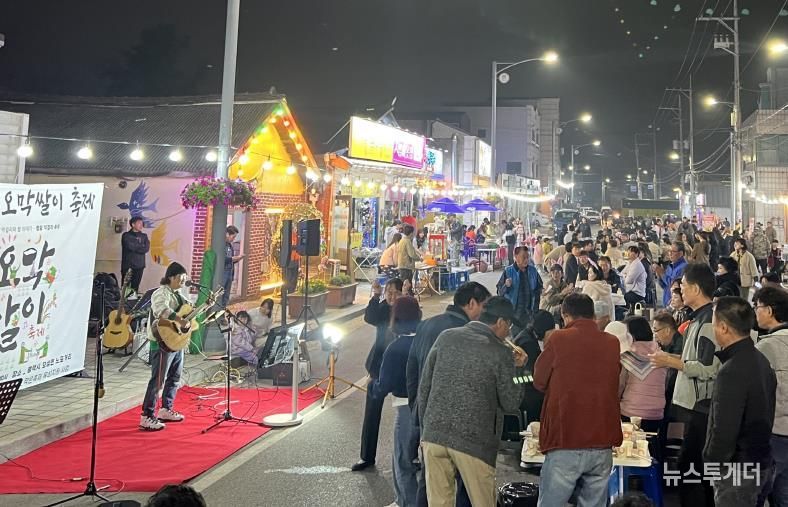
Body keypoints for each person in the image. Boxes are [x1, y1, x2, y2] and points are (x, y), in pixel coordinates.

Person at [418, 297, 526, 506]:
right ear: (501, 323)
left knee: (439, 502)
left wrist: (425, 431)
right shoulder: (501, 352)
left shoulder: (446, 337)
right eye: (509, 326)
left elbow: (425, 388)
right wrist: (520, 369)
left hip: (434, 435)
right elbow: (511, 402)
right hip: (475, 441)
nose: (509, 332)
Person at [406, 281, 491, 506]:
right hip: (458, 422)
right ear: (471, 304)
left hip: (428, 418)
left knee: (430, 482)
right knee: (463, 483)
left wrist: (417, 408)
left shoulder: (426, 325)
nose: (485, 313)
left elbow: (412, 369)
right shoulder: (467, 334)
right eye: (484, 306)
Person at [534, 293, 623, 507]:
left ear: (565, 316)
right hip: (603, 440)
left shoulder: (558, 338)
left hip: (567, 438)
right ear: (593, 315)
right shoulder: (612, 343)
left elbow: (538, 381)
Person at [649, 263, 720, 506]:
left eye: (684, 286)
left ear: (697, 289)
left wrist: (671, 361)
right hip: (691, 405)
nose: (680, 290)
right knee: (690, 468)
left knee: (693, 471)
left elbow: (709, 368)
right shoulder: (697, 320)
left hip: (700, 407)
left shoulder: (709, 323)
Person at [704, 297, 776, 507]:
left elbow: (724, 429)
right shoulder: (760, 361)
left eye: (714, 323)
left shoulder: (732, 370)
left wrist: (712, 463)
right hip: (761, 463)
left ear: (724, 327)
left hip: (737, 470)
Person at [370, 296, 422, 507]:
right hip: (427, 406)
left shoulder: (395, 347)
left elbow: (384, 385)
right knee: (421, 460)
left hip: (405, 407)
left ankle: (407, 502)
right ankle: (407, 500)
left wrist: (373, 385)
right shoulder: (425, 341)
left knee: (402, 460)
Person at [352, 277, 403, 471]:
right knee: (372, 412)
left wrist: (407, 297)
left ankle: (410, 456)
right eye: (388, 292)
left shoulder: (406, 308)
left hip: (402, 368)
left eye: (395, 292)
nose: (391, 296)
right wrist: (374, 296)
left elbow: (414, 319)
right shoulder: (381, 307)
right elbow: (370, 317)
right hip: (379, 365)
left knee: (407, 415)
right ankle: (366, 456)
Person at [140, 262, 190, 431]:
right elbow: (160, 310)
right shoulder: (160, 293)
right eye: (181, 278)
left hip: (176, 341)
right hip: (162, 342)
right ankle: (147, 416)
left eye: (185, 278)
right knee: (157, 381)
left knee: (174, 378)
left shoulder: (179, 294)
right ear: (171, 277)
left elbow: (188, 312)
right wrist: (179, 318)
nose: (184, 281)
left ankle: (165, 409)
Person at [753, 286, 788, 506]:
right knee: (784, 497)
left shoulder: (766, 346)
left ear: (769, 311)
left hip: (773, 432)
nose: (755, 312)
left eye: (757, 307)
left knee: (757, 494)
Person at [618, 317, 667, 433]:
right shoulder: (661, 355)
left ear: (631, 336)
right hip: (657, 413)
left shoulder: (626, 357)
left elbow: (619, 387)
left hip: (630, 413)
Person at [514, 310, 556, 424]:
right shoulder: (528, 345)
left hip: (521, 387)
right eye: (551, 333)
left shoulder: (527, 336)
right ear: (543, 331)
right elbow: (534, 377)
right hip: (525, 392)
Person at [497, 246, 543, 333]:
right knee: (514, 339)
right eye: (523, 257)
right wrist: (506, 286)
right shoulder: (508, 271)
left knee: (528, 338)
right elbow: (499, 292)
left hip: (529, 313)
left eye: (527, 257)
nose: (526, 260)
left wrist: (541, 291)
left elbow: (539, 287)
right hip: (514, 314)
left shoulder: (533, 271)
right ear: (516, 257)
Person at [121, 216, 150, 295]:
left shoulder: (144, 236)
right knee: (125, 287)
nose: (141, 225)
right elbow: (130, 246)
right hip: (128, 266)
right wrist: (140, 246)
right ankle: (122, 305)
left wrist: (137, 246)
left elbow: (146, 248)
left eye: (142, 223)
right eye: (139, 223)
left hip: (140, 266)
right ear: (133, 224)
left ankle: (132, 304)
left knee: (135, 287)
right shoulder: (126, 235)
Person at [655, 240, 688, 308]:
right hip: (666, 302)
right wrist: (659, 275)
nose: (670, 253)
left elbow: (674, 285)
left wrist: (662, 273)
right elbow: (664, 286)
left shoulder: (684, 267)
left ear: (680, 253)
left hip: (676, 304)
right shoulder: (669, 266)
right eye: (669, 251)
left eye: (673, 251)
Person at [222, 225, 244, 307]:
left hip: (230, 273)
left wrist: (237, 259)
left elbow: (231, 260)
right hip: (223, 273)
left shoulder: (230, 246)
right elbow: (223, 259)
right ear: (227, 234)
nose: (233, 239)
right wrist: (232, 259)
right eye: (233, 236)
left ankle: (223, 311)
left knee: (226, 295)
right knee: (221, 294)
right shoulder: (222, 245)